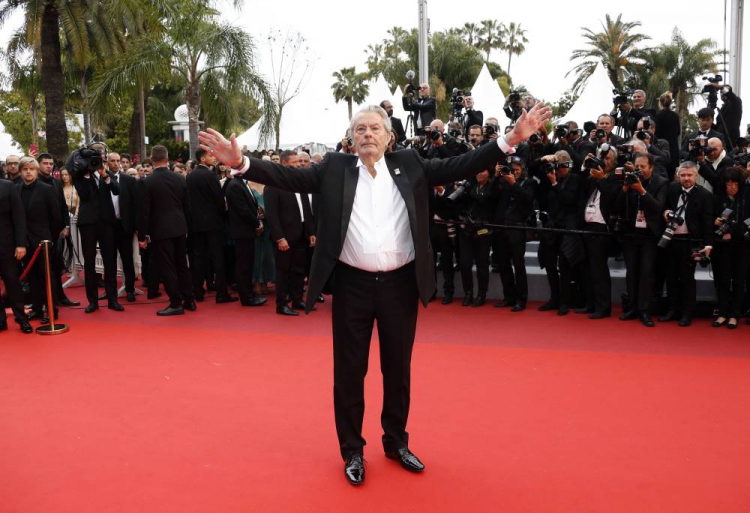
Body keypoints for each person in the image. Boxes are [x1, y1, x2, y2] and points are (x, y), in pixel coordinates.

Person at [199, 101, 552, 485]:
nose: (367, 134)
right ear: (351, 139)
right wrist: (241, 163)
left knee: (397, 370)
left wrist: (512, 138)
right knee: (350, 372)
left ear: (389, 136)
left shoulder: (411, 165)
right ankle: (352, 450)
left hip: (400, 285)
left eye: (374, 128)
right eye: (360, 129)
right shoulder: (335, 169)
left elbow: (463, 164)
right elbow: (288, 178)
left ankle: (396, 442)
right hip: (352, 285)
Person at [138, 145, 196, 316]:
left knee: (168, 266)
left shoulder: (146, 182)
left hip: (161, 230)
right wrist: (187, 227)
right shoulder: (180, 179)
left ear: (151, 160)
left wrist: (142, 235)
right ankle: (189, 300)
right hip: (180, 228)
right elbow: (188, 206)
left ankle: (176, 303)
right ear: (167, 157)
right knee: (181, 264)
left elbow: (144, 212)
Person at [70, 144, 124, 313]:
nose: (94, 162)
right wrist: (86, 173)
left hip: (107, 223)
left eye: (98, 159)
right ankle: (92, 301)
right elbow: (85, 195)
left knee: (110, 262)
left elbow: (117, 190)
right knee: (90, 263)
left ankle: (112, 299)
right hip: (88, 223)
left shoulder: (105, 174)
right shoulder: (79, 177)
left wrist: (105, 176)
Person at [615, 153, 668, 327]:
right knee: (632, 272)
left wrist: (641, 191)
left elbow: (658, 208)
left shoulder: (661, 182)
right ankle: (632, 308)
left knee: (646, 273)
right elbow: (618, 206)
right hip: (631, 233)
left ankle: (645, 311)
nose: (639, 170)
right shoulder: (629, 180)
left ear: (651, 167)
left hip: (650, 235)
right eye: (637, 166)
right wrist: (625, 188)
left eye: (643, 167)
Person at [658, 161, 714, 327]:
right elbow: (665, 207)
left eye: (690, 175)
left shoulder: (705, 195)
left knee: (687, 279)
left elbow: (708, 222)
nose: (686, 178)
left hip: (691, 242)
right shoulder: (672, 188)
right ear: (678, 176)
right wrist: (666, 212)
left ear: (696, 176)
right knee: (671, 277)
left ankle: (687, 313)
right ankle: (673, 310)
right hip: (670, 240)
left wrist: (708, 245)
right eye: (683, 175)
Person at [263, 150, 315, 316]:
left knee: (299, 269)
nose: (299, 164)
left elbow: (306, 208)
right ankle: (282, 304)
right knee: (283, 271)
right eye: (294, 162)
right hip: (284, 237)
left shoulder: (299, 181)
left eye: (299, 161)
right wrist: (279, 237)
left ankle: (298, 299)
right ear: (284, 163)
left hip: (301, 235)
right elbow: (272, 214)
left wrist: (311, 232)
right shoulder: (273, 184)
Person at [186, 148, 236, 304]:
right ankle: (221, 294)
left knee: (199, 259)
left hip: (196, 225)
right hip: (213, 224)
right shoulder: (211, 176)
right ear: (202, 159)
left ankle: (198, 292)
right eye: (210, 156)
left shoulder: (190, 176)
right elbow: (219, 200)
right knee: (218, 259)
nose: (214, 158)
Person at [17, 157, 62, 323]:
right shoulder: (16, 189)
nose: (28, 172)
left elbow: (56, 217)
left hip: (43, 241)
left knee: (46, 276)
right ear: (21, 171)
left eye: (31, 169)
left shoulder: (46, 189)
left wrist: (49, 238)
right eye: (25, 169)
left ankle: (51, 310)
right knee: (32, 277)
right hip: (24, 242)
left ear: (36, 171)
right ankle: (36, 309)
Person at [537, 151, 582, 316]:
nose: (559, 169)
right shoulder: (549, 176)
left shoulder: (575, 179)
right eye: (558, 165)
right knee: (549, 264)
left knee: (565, 266)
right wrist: (544, 159)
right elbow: (533, 169)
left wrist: (555, 183)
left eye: (563, 165)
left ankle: (564, 302)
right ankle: (554, 299)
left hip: (567, 227)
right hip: (552, 225)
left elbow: (569, 200)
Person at [493, 157, 536, 311]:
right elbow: (492, 196)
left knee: (518, 265)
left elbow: (528, 199)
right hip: (501, 228)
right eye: (512, 169)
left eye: (517, 169)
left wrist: (514, 184)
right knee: (503, 265)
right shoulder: (503, 182)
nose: (515, 172)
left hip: (517, 229)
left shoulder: (529, 182)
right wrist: (496, 176)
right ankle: (508, 297)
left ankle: (521, 299)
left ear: (522, 169)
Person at [711, 168, 749, 329]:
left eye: (735, 183)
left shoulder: (747, 195)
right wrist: (716, 222)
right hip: (723, 245)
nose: (732, 187)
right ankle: (722, 313)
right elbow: (710, 218)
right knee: (723, 280)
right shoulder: (717, 198)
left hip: (744, 244)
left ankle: (735, 314)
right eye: (729, 184)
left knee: (739, 281)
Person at [225, 170, 268, 307]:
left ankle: (248, 294)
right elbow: (243, 210)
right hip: (242, 231)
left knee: (247, 264)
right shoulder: (235, 185)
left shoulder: (242, 184)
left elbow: (250, 207)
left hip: (246, 231)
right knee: (244, 266)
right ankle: (247, 297)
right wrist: (257, 223)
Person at [457, 167, 498, 307]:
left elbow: (490, 199)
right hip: (467, 230)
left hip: (483, 231)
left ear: (489, 173)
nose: (480, 173)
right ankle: (468, 293)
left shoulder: (493, 187)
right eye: (478, 170)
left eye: (484, 171)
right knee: (465, 263)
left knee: (482, 264)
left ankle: (481, 294)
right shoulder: (468, 186)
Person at [0, 173, 31, 333]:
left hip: (7, 244)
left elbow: (19, 217)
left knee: (12, 282)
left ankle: (22, 318)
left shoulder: (7, 186)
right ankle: (0, 320)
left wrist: (20, 244)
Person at [106, 152, 139, 303]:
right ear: (107, 162)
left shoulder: (129, 180)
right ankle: (110, 292)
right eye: (112, 161)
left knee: (127, 260)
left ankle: (130, 289)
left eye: (118, 161)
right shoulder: (101, 179)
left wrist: (135, 226)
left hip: (125, 226)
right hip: (108, 226)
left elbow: (134, 204)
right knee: (109, 262)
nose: (116, 163)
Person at [654, 91, 681, 172]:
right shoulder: (675, 116)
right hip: (674, 152)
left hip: (661, 151)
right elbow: (678, 132)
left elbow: (656, 133)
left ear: (660, 103)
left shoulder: (658, 116)